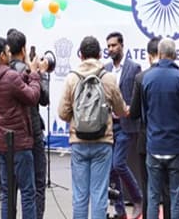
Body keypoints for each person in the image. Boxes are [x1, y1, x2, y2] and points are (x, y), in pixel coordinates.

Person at [60, 35, 129, 219]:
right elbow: (121, 110)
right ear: (100, 54)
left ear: (80, 55)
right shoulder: (108, 78)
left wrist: (76, 117)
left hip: (78, 141)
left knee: (80, 195)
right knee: (99, 194)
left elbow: (62, 112)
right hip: (102, 142)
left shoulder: (72, 78)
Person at [0, 36, 42, 219]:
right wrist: (34, 74)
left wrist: (25, 75)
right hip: (19, 140)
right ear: (2, 55)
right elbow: (32, 96)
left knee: (7, 191)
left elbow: (14, 85)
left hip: (1, 140)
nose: (10, 55)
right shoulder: (9, 76)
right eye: (8, 52)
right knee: (27, 191)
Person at [139, 37, 179, 219]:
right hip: (177, 146)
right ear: (175, 55)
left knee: (153, 197)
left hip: (154, 145)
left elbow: (144, 113)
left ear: (159, 54)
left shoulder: (147, 79)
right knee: (176, 197)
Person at [9, 32, 52, 219]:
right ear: (24, 49)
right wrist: (39, 74)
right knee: (36, 183)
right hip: (31, 130)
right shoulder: (27, 73)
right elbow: (43, 98)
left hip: (8, 134)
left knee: (10, 186)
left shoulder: (3, 70)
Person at [106, 31, 144, 219]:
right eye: (109, 46)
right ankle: (120, 210)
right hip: (108, 125)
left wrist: (130, 108)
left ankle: (138, 199)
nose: (111, 49)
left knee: (119, 163)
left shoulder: (134, 68)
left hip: (127, 124)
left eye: (114, 45)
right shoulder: (105, 69)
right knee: (111, 169)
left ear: (122, 46)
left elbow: (137, 97)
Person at [130, 38, 163, 218]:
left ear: (149, 56)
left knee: (148, 186)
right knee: (167, 188)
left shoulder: (141, 78)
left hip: (146, 139)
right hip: (170, 141)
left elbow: (134, 112)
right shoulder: (178, 75)